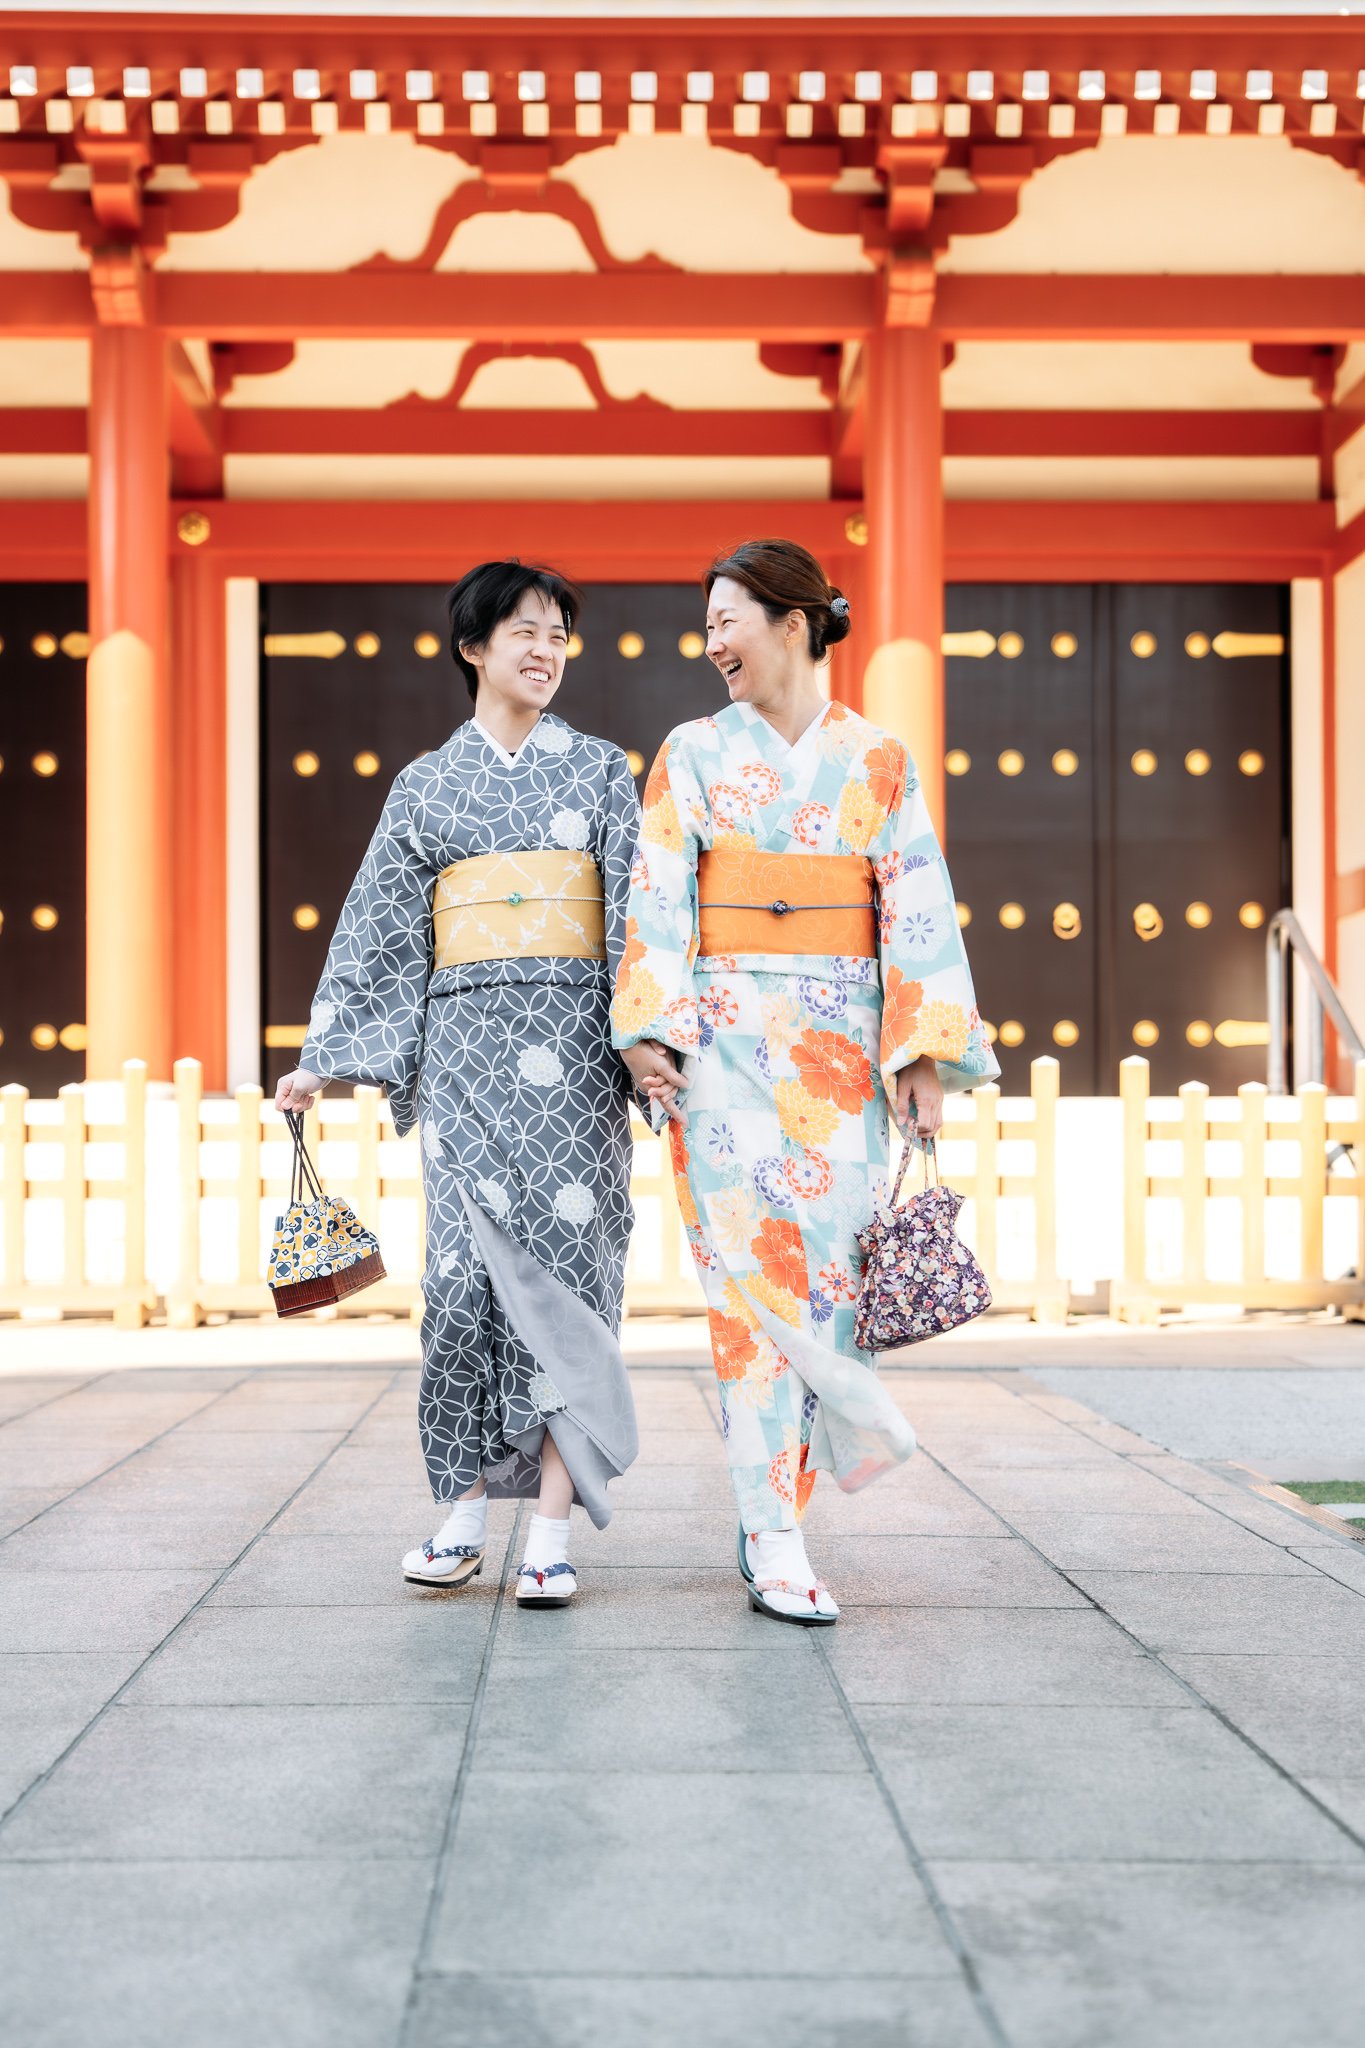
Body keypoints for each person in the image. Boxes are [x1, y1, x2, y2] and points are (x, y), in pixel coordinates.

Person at [612, 538, 998, 1626]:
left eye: (728, 618)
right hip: (725, 1046)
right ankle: (774, 1529)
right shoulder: (689, 752)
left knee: (824, 1285)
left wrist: (920, 1049)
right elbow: (658, 896)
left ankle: (781, 1505)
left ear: (793, 620)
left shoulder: (877, 759)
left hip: (841, 1044)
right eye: (707, 623)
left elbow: (914, 898)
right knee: (747, 1286)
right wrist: (648, 1029)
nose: (711, 641)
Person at [275, 560, 650, 1609]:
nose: (545, 650)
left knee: (574, 1277)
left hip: (576, 1056)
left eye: (559, 634)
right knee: (458, 1286)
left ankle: (551, 1522)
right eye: (524, 631)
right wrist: (330, 1053)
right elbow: (387, 933)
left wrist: (650, 1045)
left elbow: (635, 921)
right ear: (474, 647)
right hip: (466, 1057)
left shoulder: (603, 774)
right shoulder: (426, 788)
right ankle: (462, 1507)